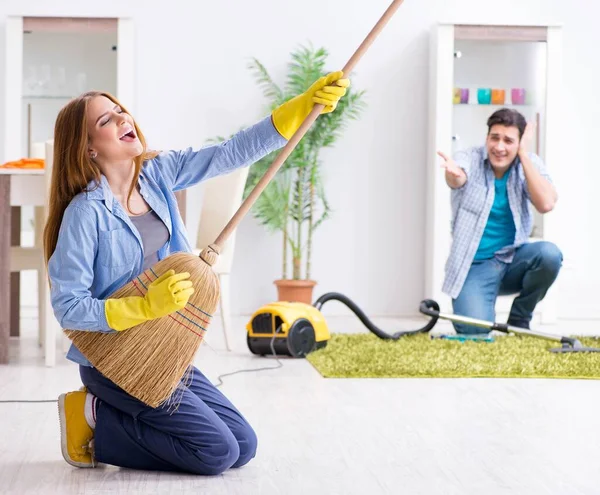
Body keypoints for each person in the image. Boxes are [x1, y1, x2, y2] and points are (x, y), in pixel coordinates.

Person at [44, 71, 350, 474]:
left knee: (243, 445)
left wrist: (295, 111)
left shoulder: (156, 175)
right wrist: (141, 307)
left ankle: (113, 415)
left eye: (121, 112)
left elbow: (227, 154)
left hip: (162, 351)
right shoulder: (85, 214)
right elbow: (68, 306)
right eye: (106, 120)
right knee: (215, 453)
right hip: (112, 360)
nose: (123, 120)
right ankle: (95, 418)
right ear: (87, 149)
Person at [438, 108, 562, 334]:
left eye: (508, 140)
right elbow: (457, 177)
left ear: (519, 143)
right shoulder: (470, 158)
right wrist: (454, 174)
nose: (499, 147)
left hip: (513, 260)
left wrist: (524, 156)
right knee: (473, 331)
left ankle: (520, 317)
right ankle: (476, 302)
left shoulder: (528, 163)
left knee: (550, 255)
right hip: (473, 267)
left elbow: (546, 204)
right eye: (494, 138)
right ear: (487, 137)